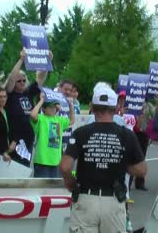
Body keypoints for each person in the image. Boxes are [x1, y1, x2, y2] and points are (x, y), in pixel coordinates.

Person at [59, 85, 147, 233]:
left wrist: (70, 182)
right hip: (113, 201)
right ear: (116, 108)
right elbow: (141, 170)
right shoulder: (127, 135)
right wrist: (120, 163)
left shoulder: (81, 133)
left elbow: (65, 167)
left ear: (92, 107)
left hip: (86, 199)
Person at [5, 49, 49, 167]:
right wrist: (21, 60)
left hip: (28, 138)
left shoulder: (28, 93)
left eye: (24, 80)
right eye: (19, 81)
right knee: (13, 168)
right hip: (15, 140)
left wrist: (47, 62)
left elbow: (40, 79)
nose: (22, 82)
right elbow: (11, 80)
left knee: (24, 168)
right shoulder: (9, 95)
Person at [31, 92, 74, 178]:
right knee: (41, 187)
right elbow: (33, 115)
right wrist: (42, 101)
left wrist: (71, 105)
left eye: (54, 106)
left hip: (56, 161)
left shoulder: (59, 119)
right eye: (50, 107)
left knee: (53, 189)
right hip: (42, 161)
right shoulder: (41, 118)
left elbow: (72, 121)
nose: (53, 109)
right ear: (44, 108)